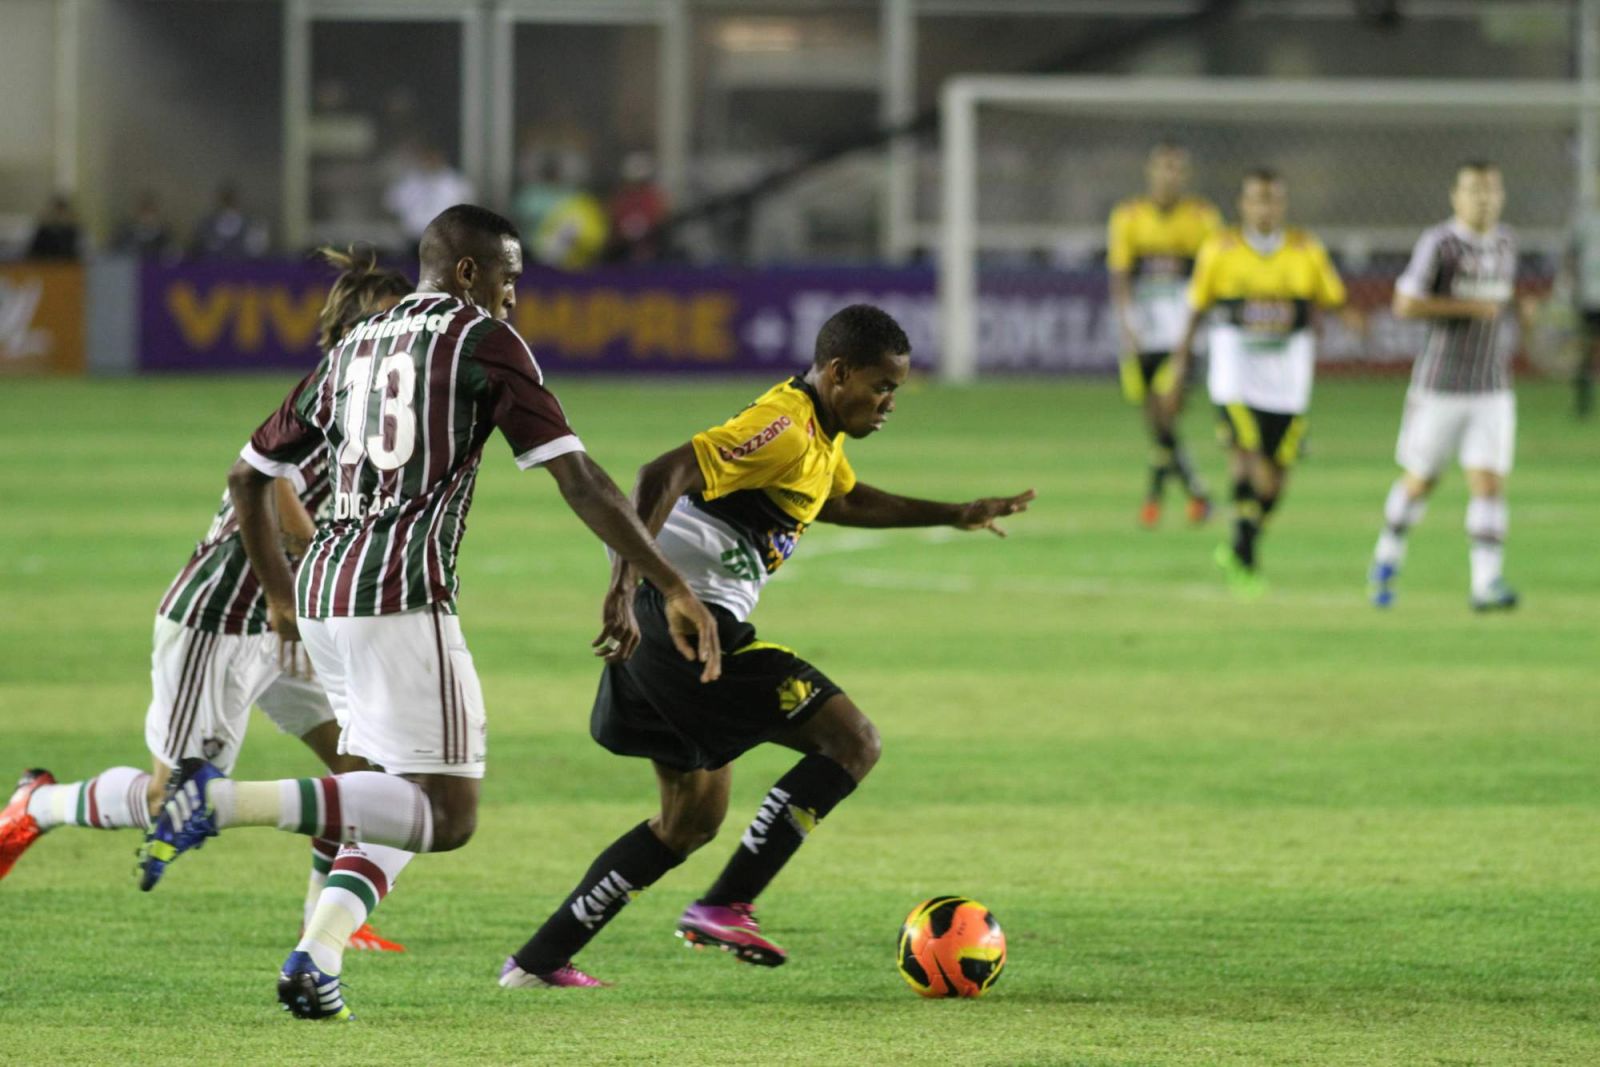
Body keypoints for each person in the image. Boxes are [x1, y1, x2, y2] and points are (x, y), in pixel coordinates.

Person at [135, 204, 722, 1022]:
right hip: (399, 598)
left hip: (326, 595)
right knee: (446, 815)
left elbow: (247, 476)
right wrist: (669, 583)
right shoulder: (483, 339)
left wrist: (279, 590)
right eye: (510, 277)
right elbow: (579, 477)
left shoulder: (353, 346)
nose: (515, 297)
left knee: (385, 793)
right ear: (471, 271)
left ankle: (317, 955)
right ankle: (219, 802)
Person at [498, 304, 1034, 990]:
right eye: (881, 386)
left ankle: (538, 961)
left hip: (661, 625)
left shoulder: (819, 440)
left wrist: (956, 512)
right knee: (853, 741)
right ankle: (725, 904)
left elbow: (843, 502)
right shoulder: (783, 425)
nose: (889, 402)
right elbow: (659, 474)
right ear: (837, 373)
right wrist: (628, 585)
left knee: (689, 821)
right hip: (684, 621)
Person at [1, 249, 412, 958]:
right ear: (352, 332)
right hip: (222, 616)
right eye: (388, 324)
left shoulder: (375, 406)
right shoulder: (328, 396)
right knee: (173, 799)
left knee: (362, 770)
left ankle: (323, 922)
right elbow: (270, 484)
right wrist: (310, 573)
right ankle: (35, 803)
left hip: (287, 624)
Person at [1170, 168, 1349, 599]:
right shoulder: (1220, 249)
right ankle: (1248, 561)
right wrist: (1180, 362)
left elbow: (1333, 300)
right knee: (1246, 457)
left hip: (1287, 383)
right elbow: (1196, 307)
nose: (1264, 208)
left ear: (1282, 205)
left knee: (1275, 481)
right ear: (1243, 204)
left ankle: (1238, 549)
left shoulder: (1305, 250)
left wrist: (1351, 323)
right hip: (1236, 376)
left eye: (1272, 200)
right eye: (1257, 199)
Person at [1367, 162, 1532, 611]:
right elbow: (1405, 303)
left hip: (1492, 386)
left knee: (1489, 483)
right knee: (1421, 481)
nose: (1484, 199)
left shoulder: (1507, 243)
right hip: (1439, 386)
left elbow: (1500, 304)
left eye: (1491, 189)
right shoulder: (1439, 244)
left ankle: (1486, 583)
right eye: (1474, 190)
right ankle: (1387, 556)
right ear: (1455, 197)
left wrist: (1522, 313)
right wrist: (1467, 307)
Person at [1106, 144, 1220, 528]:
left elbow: (1209, 279)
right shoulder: (1128, 216)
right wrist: (1127, 326)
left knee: (1167, 414)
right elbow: (1121, 276)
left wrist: (1193, 337)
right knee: (1157, 423)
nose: (1169, 176)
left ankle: (1156, 500)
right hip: (1143, 336)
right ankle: (1196, 496)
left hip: (1183, 338)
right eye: (1163, 168)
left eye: (1176, 169)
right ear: (1150, 171)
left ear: (1185, 175)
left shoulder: (1202, 218)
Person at [191, 182, 270, 259]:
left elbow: (257, 251)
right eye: (226, 199)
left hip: (241, 265)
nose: (228, 203)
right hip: (212, 266)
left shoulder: (251, 225)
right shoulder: (207, 224)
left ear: (237, 200)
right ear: (220, 200)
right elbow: (197, 249)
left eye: (231, 199)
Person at [28, 194, 81, 259]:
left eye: (61, 211)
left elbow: (75, 254)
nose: (58, 215)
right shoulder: (43, 231)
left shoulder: (71, 231)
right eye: (56, 211)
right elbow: (34, 253)